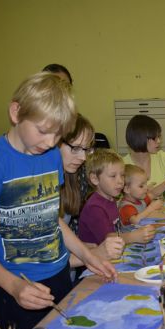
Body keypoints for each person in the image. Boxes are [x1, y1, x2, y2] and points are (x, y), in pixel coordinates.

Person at [0, 72, 117, 329]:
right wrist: (14, 286)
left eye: (57, 134)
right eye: (44, 131)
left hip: (59, 274)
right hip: (19, 285)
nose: (49, 142)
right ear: (16, 112)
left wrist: (87, 255)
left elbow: (52, 217)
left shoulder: (50, 157)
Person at [60, 114, 124, 272]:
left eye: (87, 149)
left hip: (70, 266)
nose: (83, 157)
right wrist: (91, 253)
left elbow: (64, 230)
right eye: (75, 148)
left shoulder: (74, 176)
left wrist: (82, 248)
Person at [78, 149, 155, 245]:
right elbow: (108, 240)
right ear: (95, 179)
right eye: (113, 176)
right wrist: (133, 236)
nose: (120, 181)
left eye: (122, 175)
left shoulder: (111, 198)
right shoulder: (94, 208)